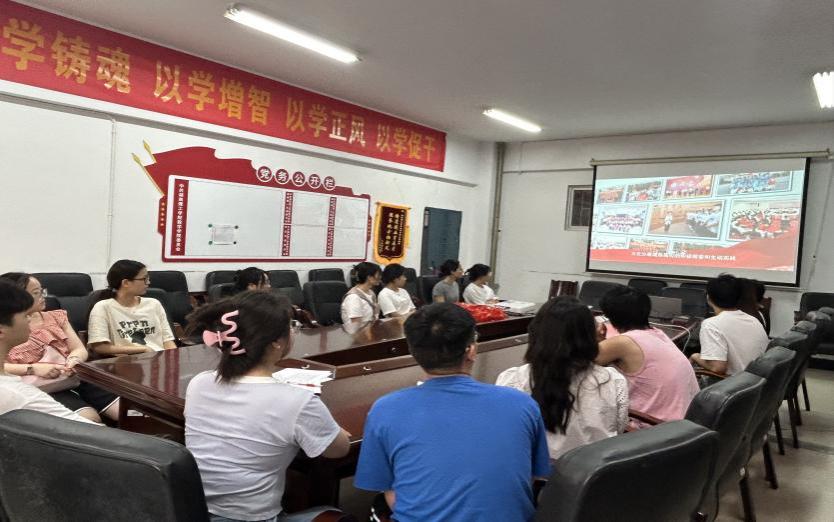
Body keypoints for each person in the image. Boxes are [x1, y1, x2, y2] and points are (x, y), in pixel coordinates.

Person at [354, 303, 550, 521]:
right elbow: (529, 477)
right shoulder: (522, 403)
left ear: (413, 352)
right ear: (471, 350)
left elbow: (389, 490)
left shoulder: (385, 410)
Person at [184, 291, 351, 522]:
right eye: (290, 327)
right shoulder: (296, 401)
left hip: (192, 511)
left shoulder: (198, 383)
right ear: (277, 342)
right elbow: (338, 450)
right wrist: (335, 431)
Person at [496, 297, 628, 460]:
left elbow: (505, 434)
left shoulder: (511, 380)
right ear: (589, 337)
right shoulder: (612, 381)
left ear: (536, 334)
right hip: (591, 471)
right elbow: (618, 428)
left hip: (530, 471)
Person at [1, 273, 119, 422]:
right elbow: (4, 367)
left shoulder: (56, 316)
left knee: (129, 412)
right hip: (43, 384)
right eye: (36, 293)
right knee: (90, 419)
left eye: (42, 291)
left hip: (73, 375)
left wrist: (74, 359)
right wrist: (33, 368)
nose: (43, 296)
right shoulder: (11, 334)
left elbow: (78, 348)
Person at [596, 286, 699, 424]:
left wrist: (598, 338)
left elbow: (578, 362)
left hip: (655, 428)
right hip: (687, 424)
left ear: (609, 317)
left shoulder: (623, 342)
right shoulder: (658, 333)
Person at [87, 260, 176, 356]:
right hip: (126, 361)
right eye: (144, 279)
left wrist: (174, 358)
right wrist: (142, 349)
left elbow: (168, 341)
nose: (148, 282)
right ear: (126, 283)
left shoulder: (154, 304)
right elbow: (99, 347)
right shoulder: (103, 307)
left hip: (159, 359)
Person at [690, 275, 768, 376]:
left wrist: (695, 356)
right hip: (756, 381)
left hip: (733, 382)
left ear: (708, 298)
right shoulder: (753, 320)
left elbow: (717, 368)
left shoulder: (711, 324)